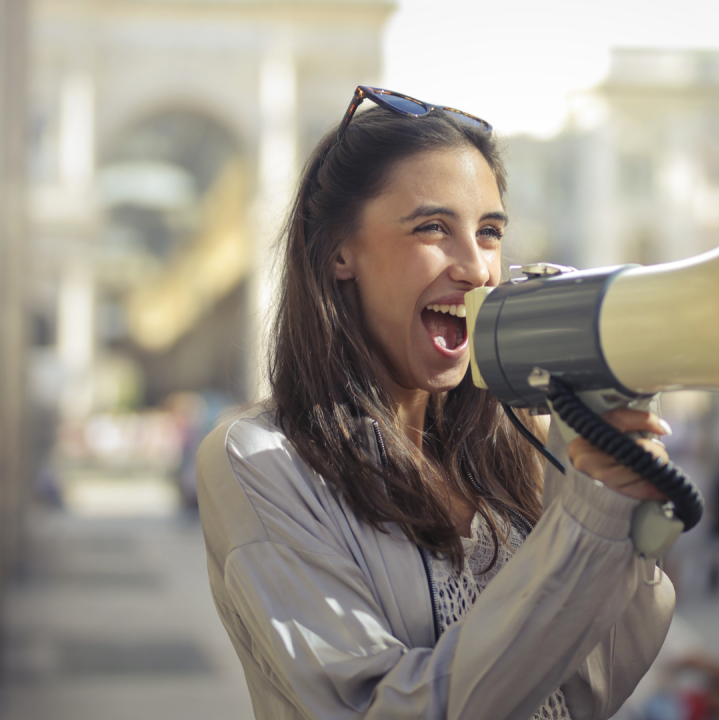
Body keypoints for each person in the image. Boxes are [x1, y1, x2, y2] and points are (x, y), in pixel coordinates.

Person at [196, 87, 676, 720]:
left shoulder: (518, 443)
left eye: (490, 233)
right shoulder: (259, 462)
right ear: (340, 251)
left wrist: (615, 508)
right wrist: (582, 528)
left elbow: (580, 692)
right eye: (433, 228)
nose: (477, 268)